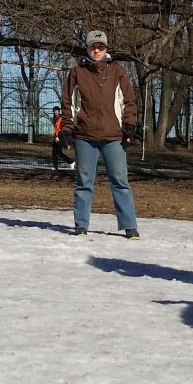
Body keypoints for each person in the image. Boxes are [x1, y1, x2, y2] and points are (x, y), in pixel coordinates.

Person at [60, 30, 140, 240]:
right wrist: (67, 129)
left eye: (100, 47)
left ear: (106, 49)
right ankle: (81, 225)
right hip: (84, 136)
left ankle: (129, 225)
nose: (96, 50)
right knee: (84, 182)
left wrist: (130, 125)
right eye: (93, 46)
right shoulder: (77, 72)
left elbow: (129, 101)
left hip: (113, 136)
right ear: (87, 49)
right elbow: (67, 103)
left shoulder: (118, 71)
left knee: (120, 181)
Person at [51, 106, 75, 171]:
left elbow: (61, 129)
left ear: (59, 111)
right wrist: (55, 136)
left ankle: (71, 161)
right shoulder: (54, 118)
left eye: (56, 111)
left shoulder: (61, 118)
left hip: (61, 136)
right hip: (55, 137)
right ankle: (55, 166)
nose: (55, 112)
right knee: (53, 152)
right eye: (54, 111)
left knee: (58, 152)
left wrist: (59, 136)